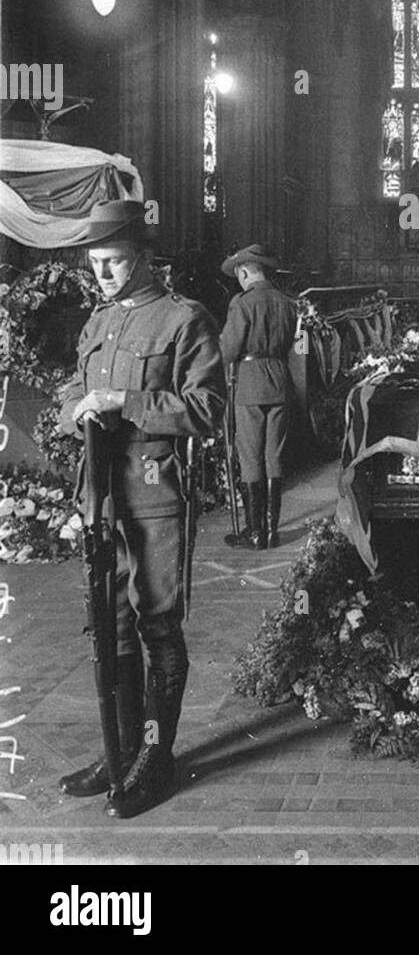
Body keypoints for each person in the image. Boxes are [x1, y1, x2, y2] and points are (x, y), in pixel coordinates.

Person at [58, 199, 226, 818]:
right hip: (102, 496)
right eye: (96, 263)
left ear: (143, 256)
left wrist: (123, 400)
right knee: (111, 622)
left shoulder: (184, 321)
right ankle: (120, 748)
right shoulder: (98, 323)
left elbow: (206, 410)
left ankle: (156, 755)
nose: (103, 274)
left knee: (155, 623)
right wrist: (75, 405)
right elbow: (73, 393)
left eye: (114, 261)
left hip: (154, 495)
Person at [219, 243, 298, 549]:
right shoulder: (286, 302)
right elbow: (290, 342)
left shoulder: (243, 303)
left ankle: (255, 532)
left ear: (243, 272)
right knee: (273, 456)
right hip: (280, 380)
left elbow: (229, 348)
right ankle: (271, 530)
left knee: (250, 456)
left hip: (250, 385)